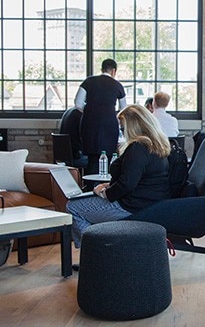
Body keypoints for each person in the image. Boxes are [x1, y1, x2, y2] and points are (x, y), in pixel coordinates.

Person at [66, 104, 172, 248]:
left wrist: (105, 193)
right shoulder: (156, 146)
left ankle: (95, 254)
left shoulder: (138, 147)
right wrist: (110, 186)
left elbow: (127, 184)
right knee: (86, 205)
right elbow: (137, 179)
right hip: (147, 202)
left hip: (130, 206)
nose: (122, 132)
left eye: (123, 127)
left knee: (73, 207)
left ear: (133, 126)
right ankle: (104, 248)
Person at [75, 58, 127, 176]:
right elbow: (124, 108)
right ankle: (104, 185)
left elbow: (78, 103)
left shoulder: (88, 82)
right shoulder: (118, 85)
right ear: (114, 71)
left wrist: (90, 110)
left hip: (89, 123)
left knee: (92, 157)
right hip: (109, 125)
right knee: (107, 156)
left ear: (102, 69)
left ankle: (89, 186)